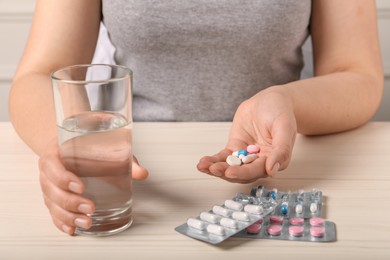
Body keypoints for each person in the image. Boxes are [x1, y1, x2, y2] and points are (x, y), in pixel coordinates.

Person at [8, 0, 383, 235]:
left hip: (277, 171)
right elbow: (40, 74)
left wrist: (286, 100)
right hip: (136, 180)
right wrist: (69, 146)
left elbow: (358, 74)